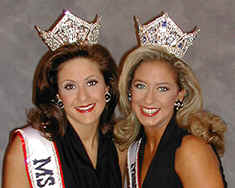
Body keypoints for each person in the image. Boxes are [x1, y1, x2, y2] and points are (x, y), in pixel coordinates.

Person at [2, 10, 123, 188]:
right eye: (70, 86)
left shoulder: (120, 147)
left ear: (107, 87)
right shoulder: (27, 149)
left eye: (91, 82)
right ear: (57, 95)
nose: (83, 96)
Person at [114, 12, 227, 187]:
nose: (149, 99)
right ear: (129, 90)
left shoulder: (190, 149)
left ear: (180, 94)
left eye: (162, 89)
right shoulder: (134, 146)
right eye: (141, 86)